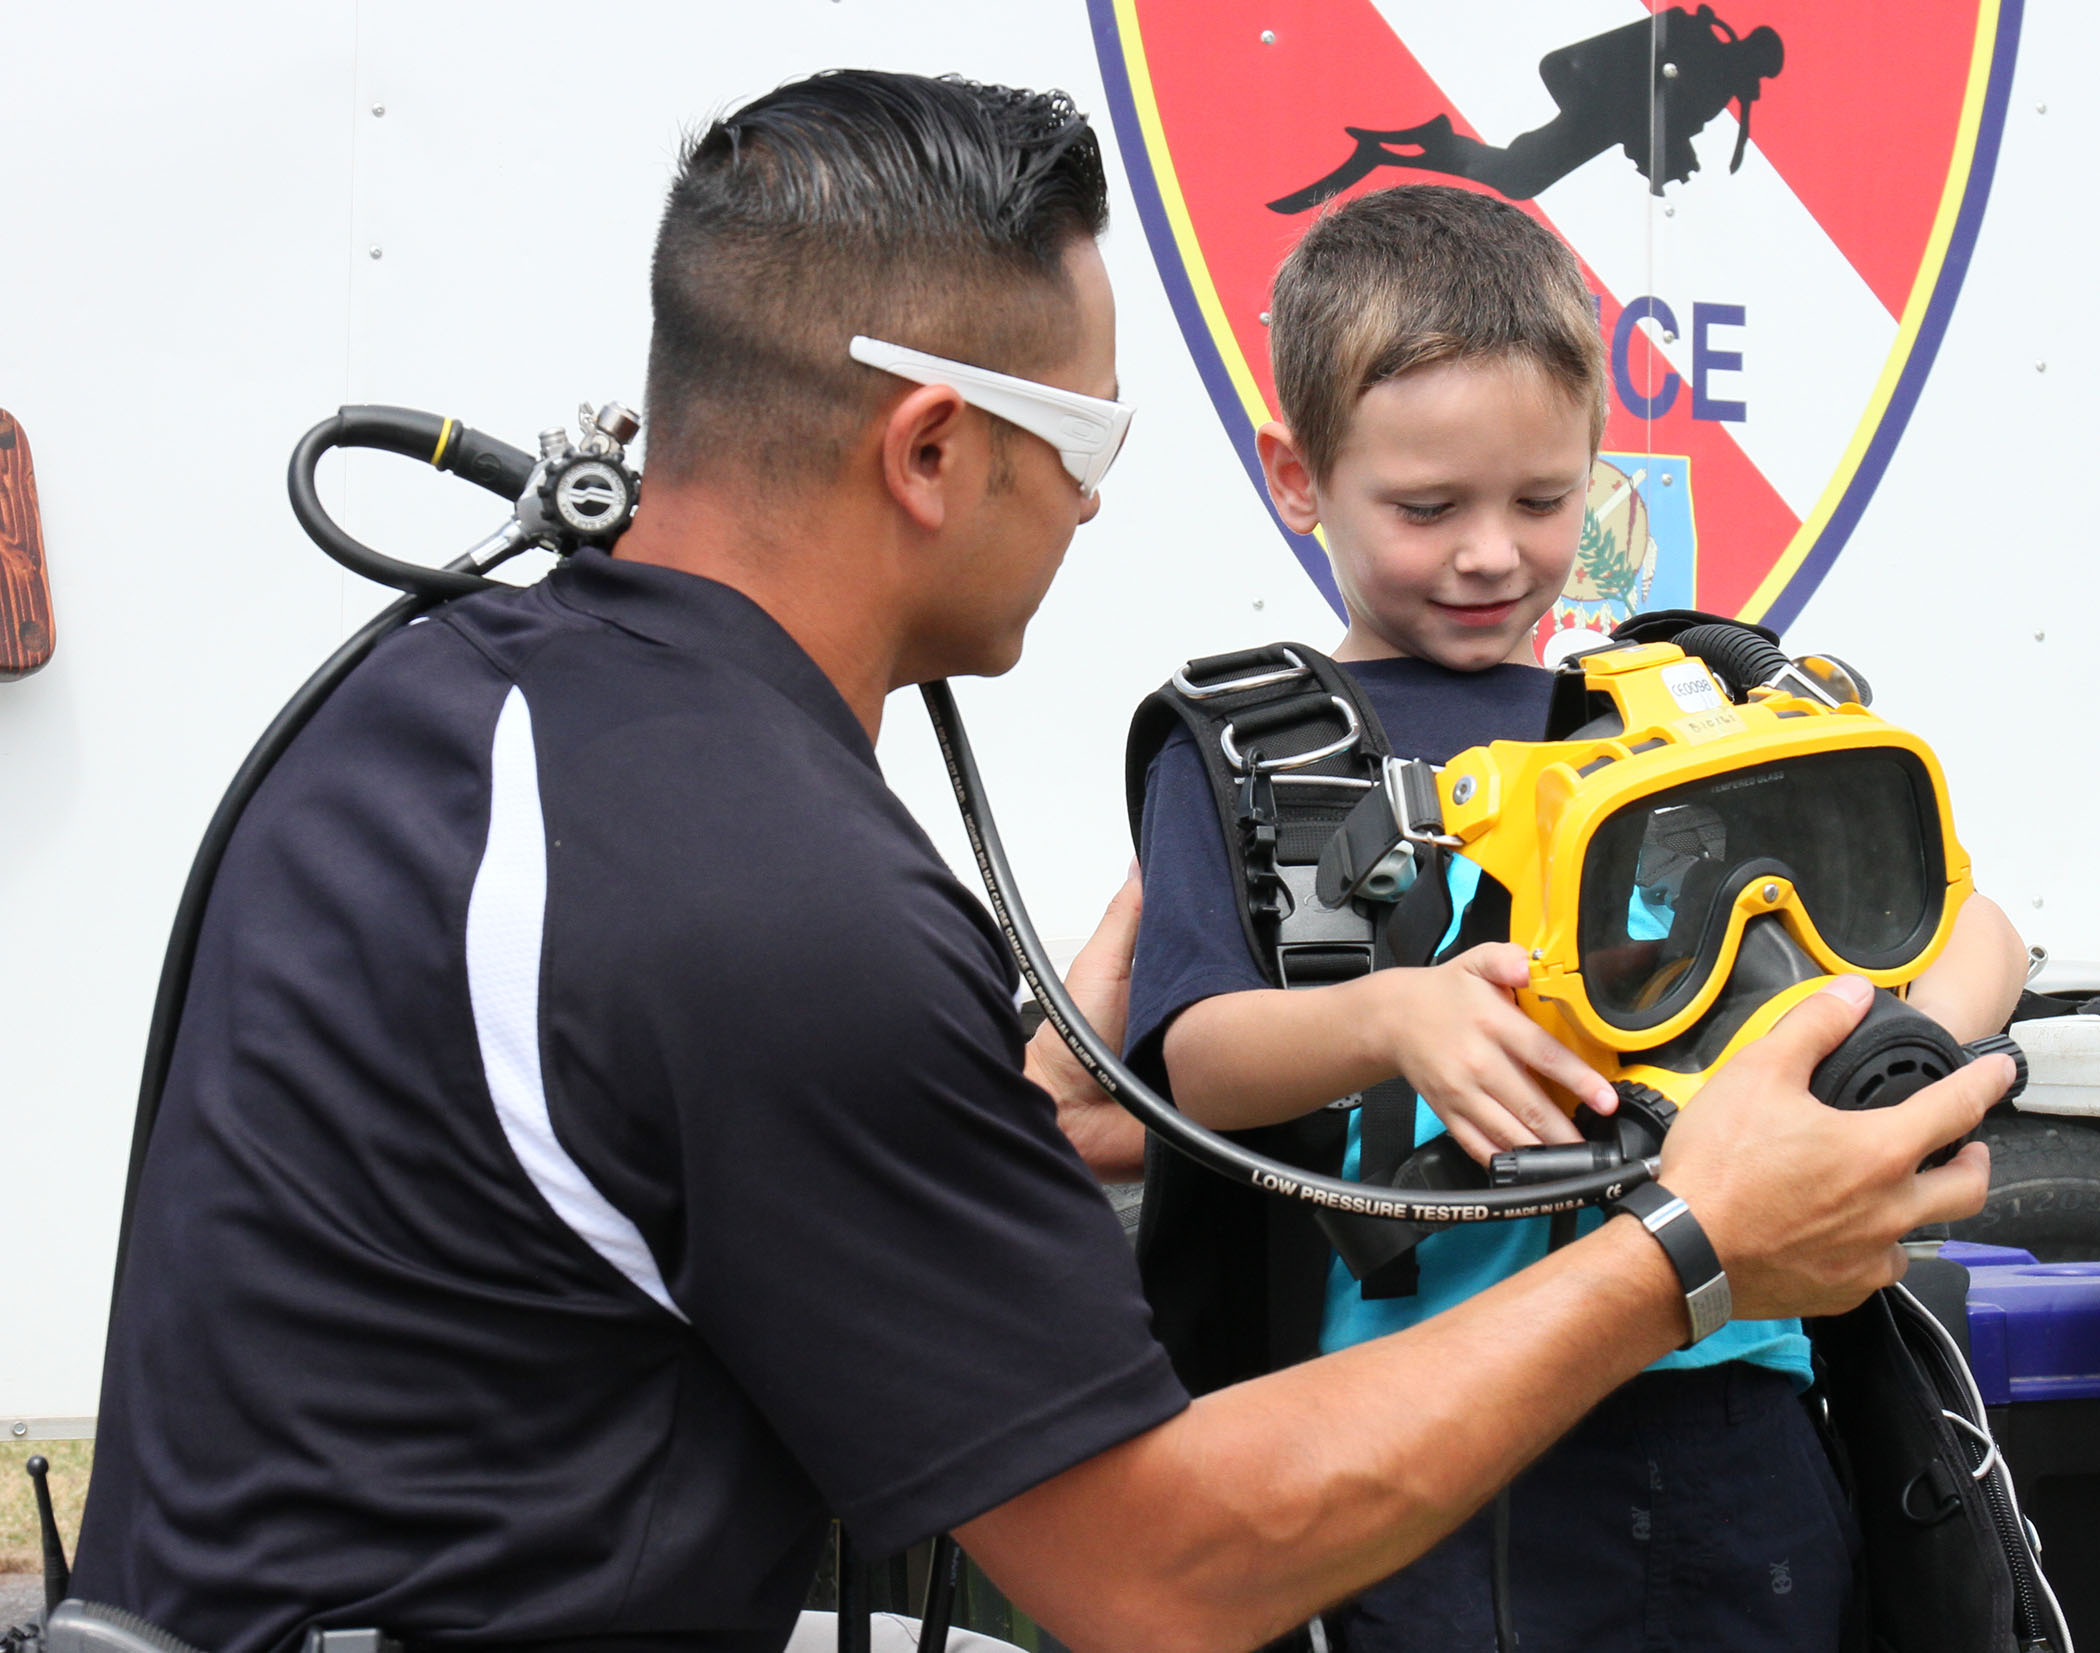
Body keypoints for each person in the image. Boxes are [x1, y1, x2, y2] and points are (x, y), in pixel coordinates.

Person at [73, 72, 2005, 1653]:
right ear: (932, 451)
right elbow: (1159, 1576)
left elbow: (646, 1163)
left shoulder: (442, 706)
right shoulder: (765, 892)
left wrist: (1012, 1106)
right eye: (1085, 434)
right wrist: (1696, 1242)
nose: (1093, 496)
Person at [1125, 183, 2030, 1651]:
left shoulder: (1699, 709)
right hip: (1434, 1434)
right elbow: (1196, 1063)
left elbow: (1968, 926)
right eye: (1427, 509)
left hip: (1745, 1403)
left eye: (1544, 500)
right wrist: (1392, 1016)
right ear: (1299, 476)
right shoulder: (1261, 754)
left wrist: (1898, 1057)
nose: (1493, 553)